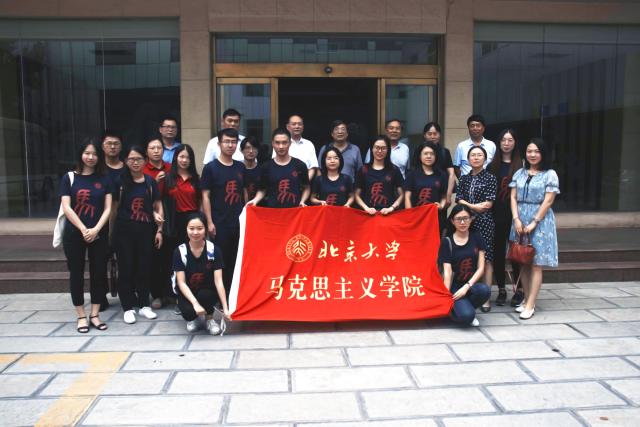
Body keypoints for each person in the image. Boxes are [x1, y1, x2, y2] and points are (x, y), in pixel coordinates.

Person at [60, 139, 112, 333]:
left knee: (99, 273)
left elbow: (108, 209)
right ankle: (81, 315)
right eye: (87, 153)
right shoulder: (69, 178)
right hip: (74, 233)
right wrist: (83, 229)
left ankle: (95, 314)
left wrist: (96, 229)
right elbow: (67, 207)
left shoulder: (105, 179)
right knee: (76, 273)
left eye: (95, 154)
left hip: (99, 233)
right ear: (81, 154)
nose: (91, 157)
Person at [510, 138, 560, 320]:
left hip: (541, 221)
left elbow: (549, 200)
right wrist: (516, 219)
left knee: (536, 264)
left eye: (537, 151)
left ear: (543, 154)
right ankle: (525, 300)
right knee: (523, 260)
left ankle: (531, 304)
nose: (532, 154)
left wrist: (534, 222)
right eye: (529, 151)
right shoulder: (520, 173)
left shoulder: (550, 174)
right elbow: (513, 197)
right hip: (520, 218)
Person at [113, 146, 163, 324]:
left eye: (139, 159)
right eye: (131, 159)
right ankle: (127, 307)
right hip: (124, 232)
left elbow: (157, 206)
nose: (135, 162)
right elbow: (113, 210)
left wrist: (159, 229)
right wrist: (111, 234)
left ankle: (144, 305)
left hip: (146, 231)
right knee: (126, 268)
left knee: (144, 267)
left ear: (145, 161)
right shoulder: (119, 182)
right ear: (126, 161)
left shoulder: (150, 182)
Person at [201, 128, 246, 295]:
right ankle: (220, 296)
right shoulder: (211, 168)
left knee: (236, 259)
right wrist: (209, 222)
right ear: (219, 144)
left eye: (233, 142)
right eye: (226, 141)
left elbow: (244, 193)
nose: (230, 145)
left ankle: (234, 295)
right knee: (220, 259)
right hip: (219, 222)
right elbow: (205, 196)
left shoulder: (240, 167)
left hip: (238, 221)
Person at [172, 213, 230, 335]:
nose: (195, 232)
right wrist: (195, 304)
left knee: (206, 296)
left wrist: (225, 308)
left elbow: (219, 281)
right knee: (188, 313)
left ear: (205, 229)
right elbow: (181, 283)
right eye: (191, 228)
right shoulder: (180, 251)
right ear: (186, 229)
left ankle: (209, 319)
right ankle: (194, 318)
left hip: (206, 290)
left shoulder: (214, 250)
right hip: (187, 292)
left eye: (199, 228)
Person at [456, 145, 497, 312]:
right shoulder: (464, 179)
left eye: (479, 155)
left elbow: (488, 204)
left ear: (485, 159)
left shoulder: (490, 178)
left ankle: (486, 298)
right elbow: (458, 199)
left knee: (486, 259)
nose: (476, 158)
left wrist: (468, 205)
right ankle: (470, 292)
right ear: (468, 159)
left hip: (484, 223)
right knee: (468, 256)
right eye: (473, 155)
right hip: (465, 223)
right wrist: (474, 206)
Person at [439, 205, 491, 327]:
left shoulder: (477, 237)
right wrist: (446, 296)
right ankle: (455, 312)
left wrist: (467, 287)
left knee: (485, 290)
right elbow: (447, 272)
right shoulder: (447, 242)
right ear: (452, 221)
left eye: (466, 218)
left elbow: (481, 268)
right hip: (455, 287)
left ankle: (465, 308)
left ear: (471, 219)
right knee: (467, 316)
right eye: (458, 219)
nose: (462, 222)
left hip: (469, 285)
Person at [488, 129, 523, 306]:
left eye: (510, 140)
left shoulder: (521, 166)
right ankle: (501, 289)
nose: (506, 143)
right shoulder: (492, 165)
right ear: (499, 143)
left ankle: (519, 289)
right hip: (496, 215)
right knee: (498, 253)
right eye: (503, 140)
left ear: (515, 142)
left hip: (516, 215)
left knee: (516, 253)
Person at [143, 139, 173, 310]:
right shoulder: (142, 169)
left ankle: (170, 293)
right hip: (149, 215)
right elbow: (139, 193)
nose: (156, 150)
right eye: (152, 148)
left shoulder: (170, 167)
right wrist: (154, 180)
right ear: (147, 151)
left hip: (171, 215)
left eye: (159, 147)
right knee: (154, 258)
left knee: (170, 256)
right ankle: (157, 294)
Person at [248, 128, 310, 208]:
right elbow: (262, 190)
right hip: (273, 212)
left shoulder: (300, 165)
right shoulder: (266, 167)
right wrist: (255, 200)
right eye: (277, 143)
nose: (281, 146)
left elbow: (306, 187)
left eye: (284, 142)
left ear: (290, 143)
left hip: (295, 212)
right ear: (272, 143)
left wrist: (302, 201)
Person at [404, 142, 448, 232]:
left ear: (435, 156)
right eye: (425, 153)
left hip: (435, 218)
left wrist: (441, 206)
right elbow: (407, 197)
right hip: (416, 218)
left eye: (432, 154)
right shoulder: (412, 174)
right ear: (420, 156)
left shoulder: (442, 175)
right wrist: (410, 215)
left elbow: (444, 197)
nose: (429, 156)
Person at [355, 136, 404, 215]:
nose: (380, 151)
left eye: (383, 148)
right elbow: (356, 195)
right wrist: (366, 208)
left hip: (388, 214)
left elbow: (402, 194)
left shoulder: (394, 170)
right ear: (372, 149)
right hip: (368, 214)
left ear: (388, 150)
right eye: (377, 147)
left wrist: (391, 208)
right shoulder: (363, 170)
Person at [166, 144, 201, 246]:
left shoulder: (195, 179)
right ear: (175, 157)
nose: (184, 160)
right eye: (181, 157)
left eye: (188, 158)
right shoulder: (168, 178)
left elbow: (200, 200)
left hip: (193, 219)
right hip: (173, 219)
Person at [423, 122, 455, 209]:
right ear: (425, 135)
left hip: (441, 192)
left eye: (435, 134)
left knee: (440, 214)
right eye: (429, 134)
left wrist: (448, 194)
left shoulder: (444, 152)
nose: (432, 136)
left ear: (439, 135)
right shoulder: (419, 151)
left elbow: (451, 174)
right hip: (422, 191)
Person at [285, 114, 319, 181]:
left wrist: (304, 183)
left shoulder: (309, 144)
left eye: (299, 124)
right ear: (288, 127)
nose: (297, 126)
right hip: (285, 182)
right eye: (294, 124)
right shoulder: (282, 144)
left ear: (303, 127)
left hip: (306, 182)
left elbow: (312, 167)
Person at [241, 136, 261, 201]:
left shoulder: (262, 170)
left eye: (254, 148)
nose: (251, 151)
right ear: (241, 150)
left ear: (258, 150)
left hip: (259, 205)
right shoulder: (237, 169)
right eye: (247, 148)